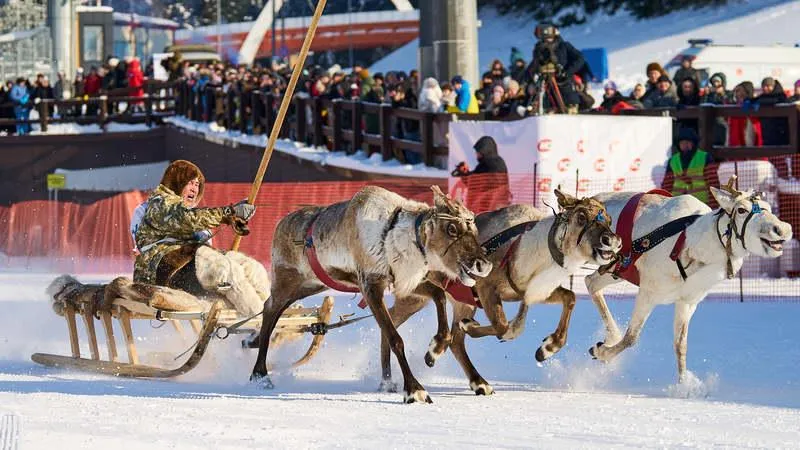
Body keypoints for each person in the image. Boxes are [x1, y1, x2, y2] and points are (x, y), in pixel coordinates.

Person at [132, 160, 267, 316]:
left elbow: (197, 223)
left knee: (253, 269)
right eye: (190, 183)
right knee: (228, 271)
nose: (194, 189)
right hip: (165, 271)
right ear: (177, 182)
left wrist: (235, 216)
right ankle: (261, 320)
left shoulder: (188, 211)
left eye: (197, 184)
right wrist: (228, 213)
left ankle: (271, 309)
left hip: (190, 264)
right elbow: (184, 218)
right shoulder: (160, 203)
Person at [527, 22, 584, 112]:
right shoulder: (539, 48)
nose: (547, 40)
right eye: (545, 38)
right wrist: (529, 79)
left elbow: (580, 58)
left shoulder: (563, 46)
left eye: (549, 37)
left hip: (563, 86)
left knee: (568, 110)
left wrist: (567, 72)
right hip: (544, 85)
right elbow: (533, 66)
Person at [451, 136, 510, 213]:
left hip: (487, 207)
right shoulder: (497, 161)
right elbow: (477, 179)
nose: (476, 155)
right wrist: (465, 173)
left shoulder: (488, 164)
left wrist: (465, 174)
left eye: (478, 152)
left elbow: (475, 183)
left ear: (484, 151)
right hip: (497, 204)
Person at [661, 128, 715, 204]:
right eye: (682, 142)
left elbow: (713, 182)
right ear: (678, 145)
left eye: (688, 142)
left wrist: (714, 203)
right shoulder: (673, 160)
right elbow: (667, 184)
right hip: (677, 203)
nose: (685, 145)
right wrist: (664, 202)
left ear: (693, 143)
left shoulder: (705, 157)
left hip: (701, 204)